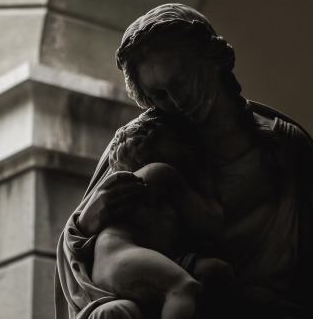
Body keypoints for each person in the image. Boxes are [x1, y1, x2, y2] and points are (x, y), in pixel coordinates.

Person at [55, 3, 313, 318]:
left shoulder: (284, 144)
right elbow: (85, 249)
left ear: (211, 62)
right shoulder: (146, 141)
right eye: (159, 95)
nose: (176, 101)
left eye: (181, 81)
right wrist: (85, 222)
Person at [91, 111, 230, 319]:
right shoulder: (162, 172)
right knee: (183, 287)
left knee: (212, 272)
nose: (188, 146)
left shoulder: (140, 181)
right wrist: (205, 177)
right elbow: (210, 222)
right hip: (121, 257)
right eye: (175, 139)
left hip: (112, 260)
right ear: (148, 144)